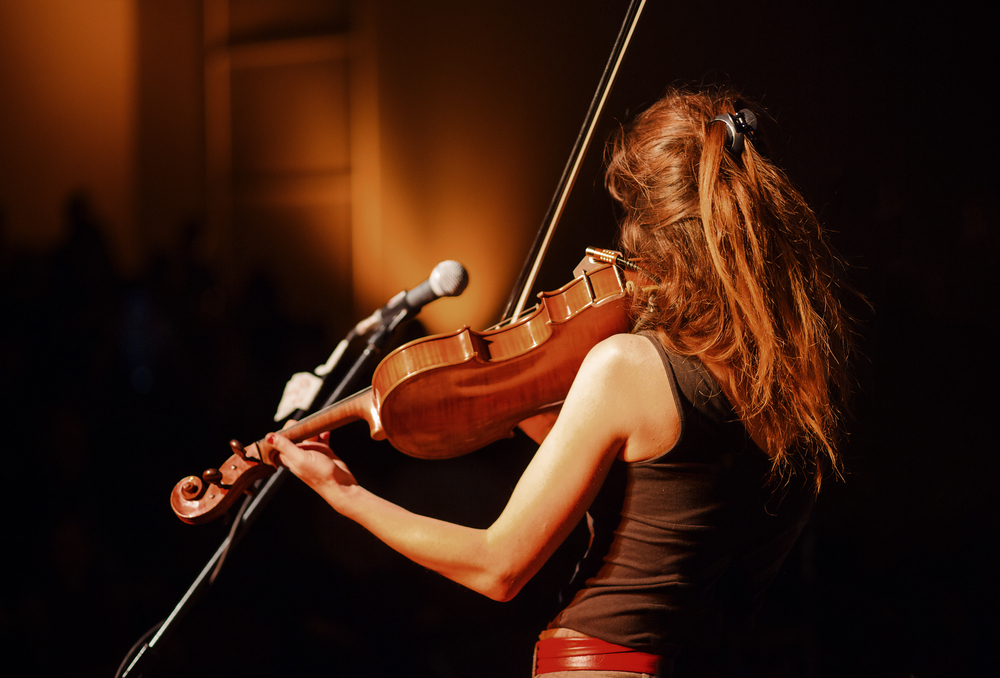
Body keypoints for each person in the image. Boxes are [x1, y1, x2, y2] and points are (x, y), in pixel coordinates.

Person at [261, 86, 857, 677]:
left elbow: (499, 568)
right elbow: (669, 497)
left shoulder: (627, 366)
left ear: (651, 234)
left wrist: (346, 495)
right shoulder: (799, 387)